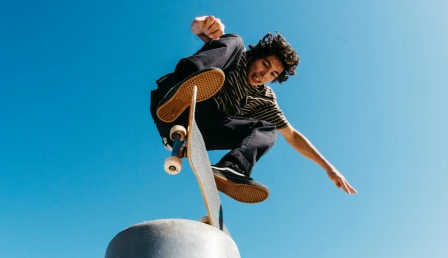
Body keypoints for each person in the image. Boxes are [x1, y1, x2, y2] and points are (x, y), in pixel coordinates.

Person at [151, 15, 356, 204]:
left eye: (272, 74)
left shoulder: (264, 99)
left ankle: (233, 168)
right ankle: (187, 81)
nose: (264, 74)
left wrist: (329, 168)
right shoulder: (237, 56)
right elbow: (198, 28)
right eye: (264, 64)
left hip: (193, 132)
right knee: (236, 40)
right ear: (256, 56)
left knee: (268, 129)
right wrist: (204, 23)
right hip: (170, 104)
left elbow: (292, 136)